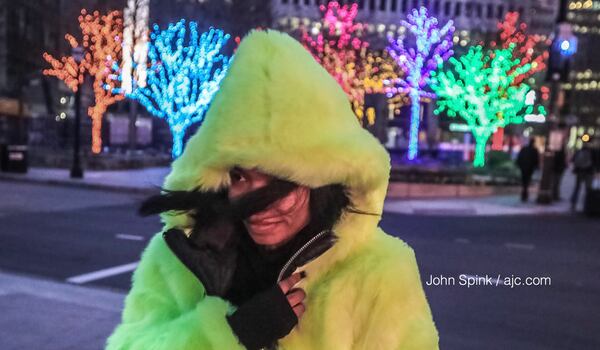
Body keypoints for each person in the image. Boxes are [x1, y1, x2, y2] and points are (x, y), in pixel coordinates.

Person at [106, 30, 439, 350]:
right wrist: (234, 335)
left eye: (280, 181)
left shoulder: (380, 272)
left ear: (320, 183)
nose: (258, 205)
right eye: (239, 176)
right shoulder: (180, 259)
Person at [570, 142, 594, 210]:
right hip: (589, 172)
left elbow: (573, 160)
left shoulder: (579, 151)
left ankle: (573, 203)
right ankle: (587, 205)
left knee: (577, 188)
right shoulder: (591, 152)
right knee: (588, 189)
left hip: (580, 171)